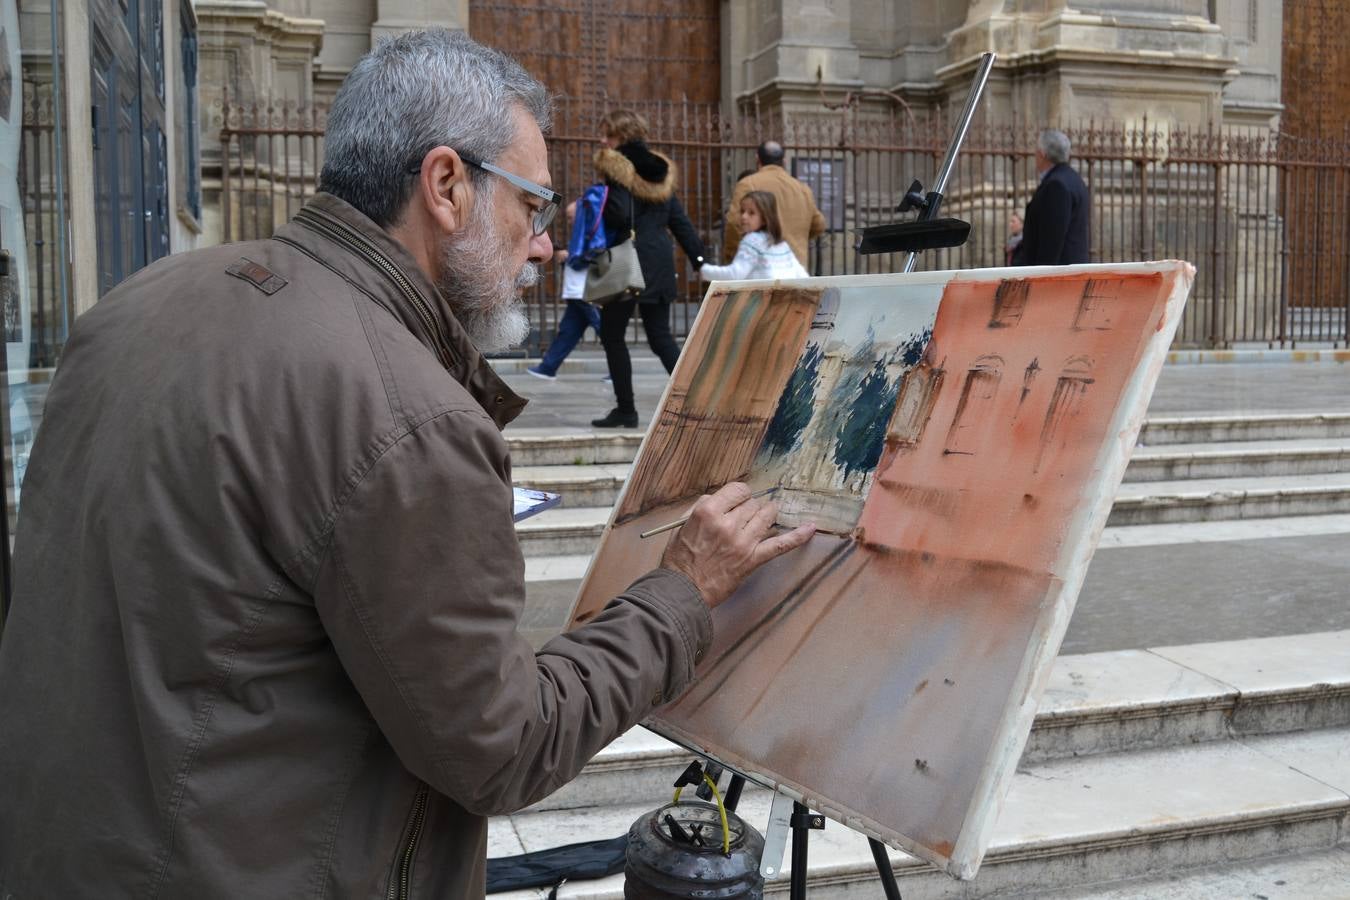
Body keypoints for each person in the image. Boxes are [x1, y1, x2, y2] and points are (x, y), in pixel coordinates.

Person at [0, 30, 814, 899]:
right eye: (532, 207)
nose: (542, 246)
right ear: (447, 186)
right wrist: (680, 590)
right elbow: (505, 745)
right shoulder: (408, 416)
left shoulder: (132, 305)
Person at [591, 109, 707, 429]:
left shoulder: (616, 167)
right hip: (658, 260)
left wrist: (602, 200)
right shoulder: (661, 170)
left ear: (622, 136)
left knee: (612, 335)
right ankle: (696, 401)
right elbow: (679, 221)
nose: (603, 140)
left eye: (608, 135)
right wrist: (699, 260)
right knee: (660, 336)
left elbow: (618, 215)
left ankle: (626, 410)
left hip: (625, 259)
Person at [527, 190, 606, 380]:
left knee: (606, 332)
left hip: (586, 292)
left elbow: (591, 259)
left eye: (571, 217)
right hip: (577, 293)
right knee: (568, 332)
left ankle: (620, 371)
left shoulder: (592, 234)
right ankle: (548, 368)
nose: (570, 222)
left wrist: (568, 257)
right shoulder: (582, 234)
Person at [723, 140, 826, 270]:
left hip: (761, 269)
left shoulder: (748, 184)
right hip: (796, 266)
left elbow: (734, 224)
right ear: (783, 161)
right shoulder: (802, 189)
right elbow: (819, 225)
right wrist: (797, 238)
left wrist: (732, 258)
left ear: (757, 159)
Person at [1012, 129, 1090, 266]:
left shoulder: (1056, 185)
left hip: (1058, 272)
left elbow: (1051, 239)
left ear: (1042, 154)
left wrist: (1042, 273)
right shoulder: (1074, 179)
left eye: (1036, 151)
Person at [700, 191, 808, 282]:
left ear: (765, 218)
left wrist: (704, 270)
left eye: (751, 213)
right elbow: (801, 274)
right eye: (742, 211)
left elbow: (735, 274)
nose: (744, 216)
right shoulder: (781, 244)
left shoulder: (752, 240)